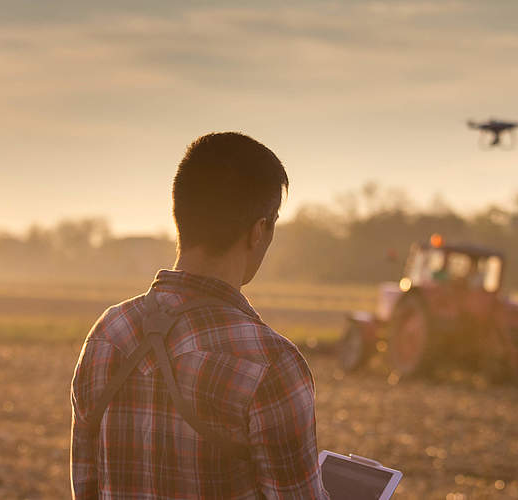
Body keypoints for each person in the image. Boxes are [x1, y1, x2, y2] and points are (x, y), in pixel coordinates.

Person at [70, 132, 328, 499]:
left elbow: (85, 490)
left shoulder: (107, 334)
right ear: (259, 230)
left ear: (180, 214)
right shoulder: (271, 363)